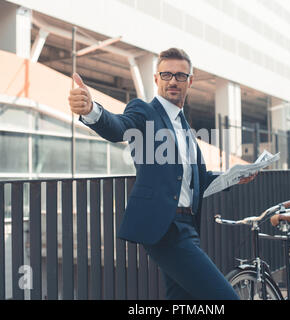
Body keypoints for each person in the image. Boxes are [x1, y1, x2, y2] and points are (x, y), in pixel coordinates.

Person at [68, 48, 257, 300]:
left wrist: (235, 176)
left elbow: (199, 179)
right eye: (166, 74)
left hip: (189, 226)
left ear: (190, 81)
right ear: (156, 79)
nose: (173, 81)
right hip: (165, 228)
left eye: (180, 76)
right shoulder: (144, 112)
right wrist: (91, 110)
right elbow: (118, 128)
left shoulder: (186, 129)